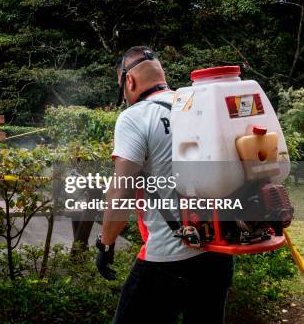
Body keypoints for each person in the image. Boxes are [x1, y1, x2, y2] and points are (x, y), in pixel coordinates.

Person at [96, 46, 234, 324]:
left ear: (130, 81)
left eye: (122, 87)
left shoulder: (134, 117)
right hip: (218, 256)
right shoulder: (199, 107)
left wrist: (105, 242)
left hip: (167, 260)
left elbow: (121, 191)